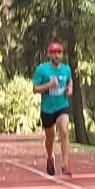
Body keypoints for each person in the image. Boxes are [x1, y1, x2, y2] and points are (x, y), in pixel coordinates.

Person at [32, 41, 74, 176]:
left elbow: (69, 82)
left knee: (64, 131)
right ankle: (50, 157)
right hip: (47, 109)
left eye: (59, 52)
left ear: (62, 54)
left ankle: (65, 164)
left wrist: (70, 90)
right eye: (53, 53)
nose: (56, 55)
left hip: (62, 106)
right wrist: (49, 85)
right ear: (49, 55)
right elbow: (35, 89)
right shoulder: (42, 69)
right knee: (50, 138)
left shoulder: (66, 69)